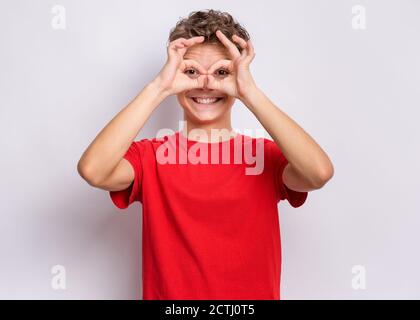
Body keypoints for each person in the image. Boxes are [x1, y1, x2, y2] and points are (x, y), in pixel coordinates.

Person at [77, 9, 334, 300]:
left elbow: (318, 172)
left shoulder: (263, 157)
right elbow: (93, 170)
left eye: (222, 72)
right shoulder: (152, 157)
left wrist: (250, 93)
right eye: (191, 72)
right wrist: (158, 87)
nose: (206, 84)